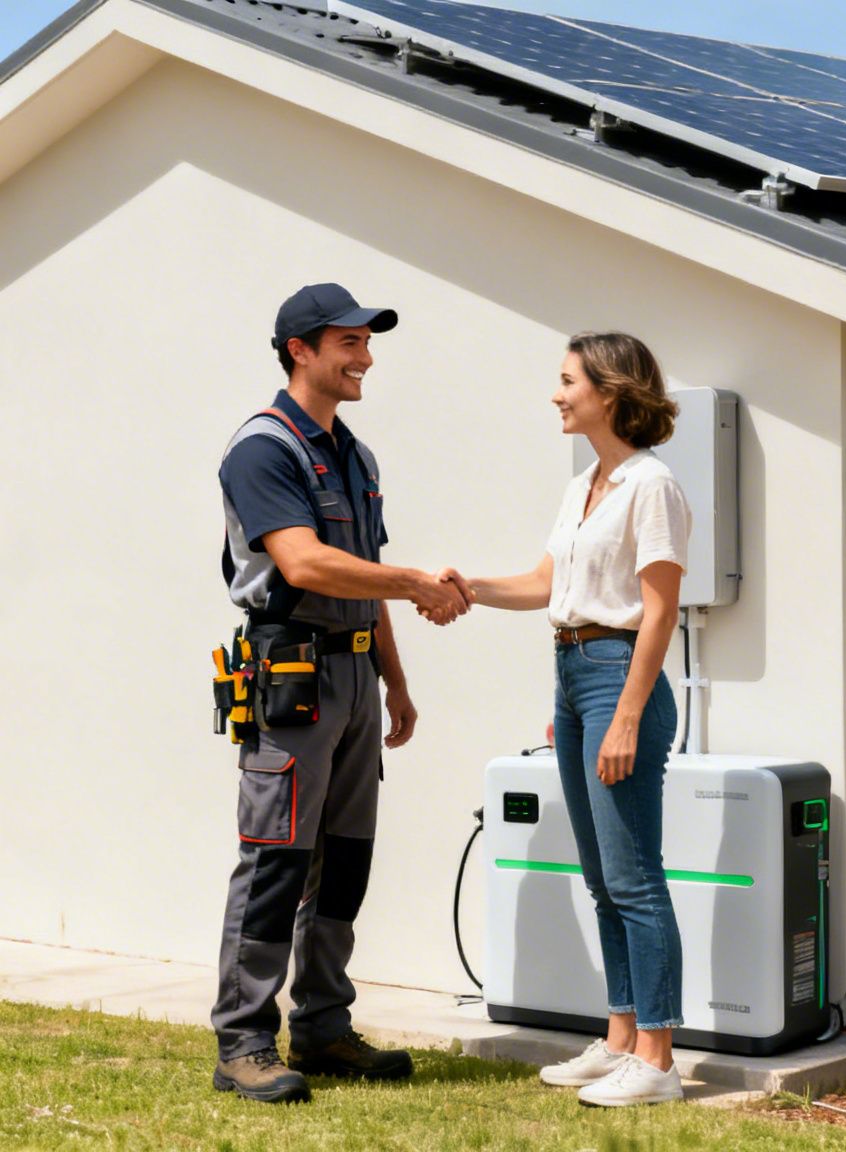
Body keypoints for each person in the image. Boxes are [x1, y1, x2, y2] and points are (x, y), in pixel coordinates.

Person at [212, 283, 474, 1103]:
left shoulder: (355, 455)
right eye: (349, 343)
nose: (364, 358)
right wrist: (416, 581)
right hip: (293, 680)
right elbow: (306, 564)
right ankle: (244, 1042)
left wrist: (395, 682)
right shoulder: (263, 449)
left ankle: (323, 1028)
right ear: (301, 350)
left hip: (355, 679)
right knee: (275, 865)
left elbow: (364, 581)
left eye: (367, 343)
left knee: (345, 865)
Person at [468, 331, 691, 1108]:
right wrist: (466, 586)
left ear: (610, 390)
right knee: (602, 878)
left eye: (567, 382)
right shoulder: (585, 484)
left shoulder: (650, 485)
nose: (557, 395)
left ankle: (659, 1061)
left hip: (616, 677)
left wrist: (627, 714)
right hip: (570, 674)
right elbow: (542, 582)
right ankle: (621, 1036)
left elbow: (661, 610)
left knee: (634, 878)